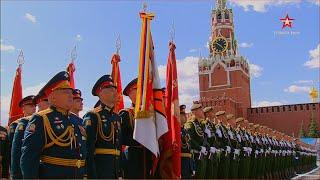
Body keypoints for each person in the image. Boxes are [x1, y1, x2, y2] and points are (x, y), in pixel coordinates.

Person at [20, 71, 87, 179]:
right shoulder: (41, 119)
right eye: (65, 92)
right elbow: (29, 159)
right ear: (52, 97)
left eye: (71, 92)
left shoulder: (77, 121)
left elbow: (83, 154)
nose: (71, 95)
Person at [83, 75, 122, 179]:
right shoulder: (93, 115)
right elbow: (88, 150)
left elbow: (118, 149)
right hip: (99, 173)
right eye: (110, 89)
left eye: (115, 89)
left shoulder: (116, 117)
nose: (114, 92)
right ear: (100, 93)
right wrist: (89, 175)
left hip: (114, 173)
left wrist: (120, 173)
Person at [119, 78, 153, 178]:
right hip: (132, 157)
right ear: (130, 94)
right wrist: (139, 141)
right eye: (138, 89)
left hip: (147, 155)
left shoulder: (150, 113)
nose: (142, 92)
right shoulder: (126, 113)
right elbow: (121, 138)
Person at [10, 95, 36, 179]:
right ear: (23, 108)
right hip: (21, 168)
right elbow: (14, 151)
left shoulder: (40, 123)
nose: (34, 108)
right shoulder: (17, 124)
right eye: (31, 106)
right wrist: (15, 174)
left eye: (35, 106)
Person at [184, 102, 206, 179]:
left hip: (201, 155)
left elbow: (203, 139)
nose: (202, 112)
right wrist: (199, 148)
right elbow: (189, 139)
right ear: (195, 112)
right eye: (200, 110)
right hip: (195, 156)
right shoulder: (190, 124)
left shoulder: (200, 125)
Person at [202, 106, 219, 179]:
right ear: (208, 114)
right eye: (212, 112)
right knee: (209, 173)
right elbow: (204, 138)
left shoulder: (213, 125)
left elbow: (215, 138)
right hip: (208, 152)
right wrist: (209, 147)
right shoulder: (205, 124)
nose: (214, 113)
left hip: (214, 151)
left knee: (214, 173)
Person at [180, 104, 193, 179]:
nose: (185, 116)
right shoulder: (175, 131)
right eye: (182, 114)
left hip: (188, 163)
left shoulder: (185, 131)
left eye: (185, 114)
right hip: (180, 163)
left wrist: (192, 165)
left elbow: (189, 150)